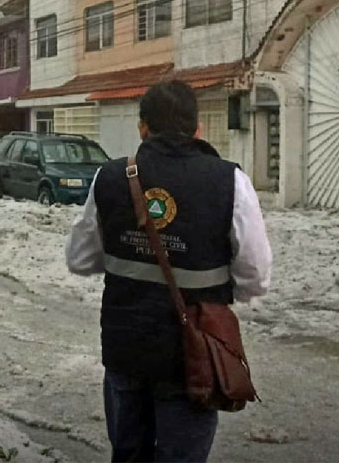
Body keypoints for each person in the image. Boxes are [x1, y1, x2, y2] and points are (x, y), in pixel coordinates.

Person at [65, 80, 272, 462]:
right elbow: (256, 275)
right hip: (193, 351)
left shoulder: (109, 177)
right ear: (198, 130)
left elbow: (79, 260)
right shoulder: (231, 181)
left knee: (128, 454)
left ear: (142, 127)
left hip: (125, 346)